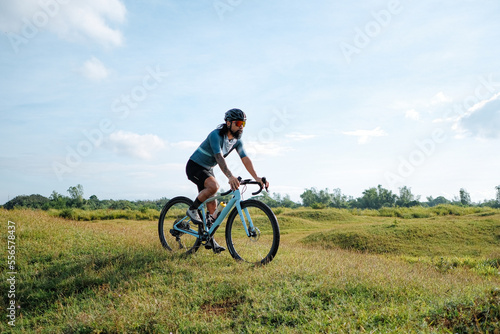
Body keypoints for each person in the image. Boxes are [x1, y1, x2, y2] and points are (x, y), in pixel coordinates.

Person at [185, 108, 269, 253]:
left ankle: (209, 239)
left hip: (207, 169)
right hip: (195, 166)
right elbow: (219, 157)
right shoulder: (216, 135)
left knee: (214, 212)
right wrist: (230, 176)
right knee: (214, 186)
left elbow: (245, 159)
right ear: (228, 123)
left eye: (243, 123)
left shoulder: (237, 141)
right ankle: (192, 209)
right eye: (238, 123)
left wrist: (257, 178)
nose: (241, 126)